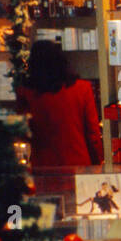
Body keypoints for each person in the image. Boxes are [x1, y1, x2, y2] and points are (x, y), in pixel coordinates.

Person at [17, 40, 102, 168]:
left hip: (43, 166)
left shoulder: (26, 93)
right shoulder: (82, 88)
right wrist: (98, 161)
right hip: (78, 163)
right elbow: (93, 133)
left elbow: (24, 132)